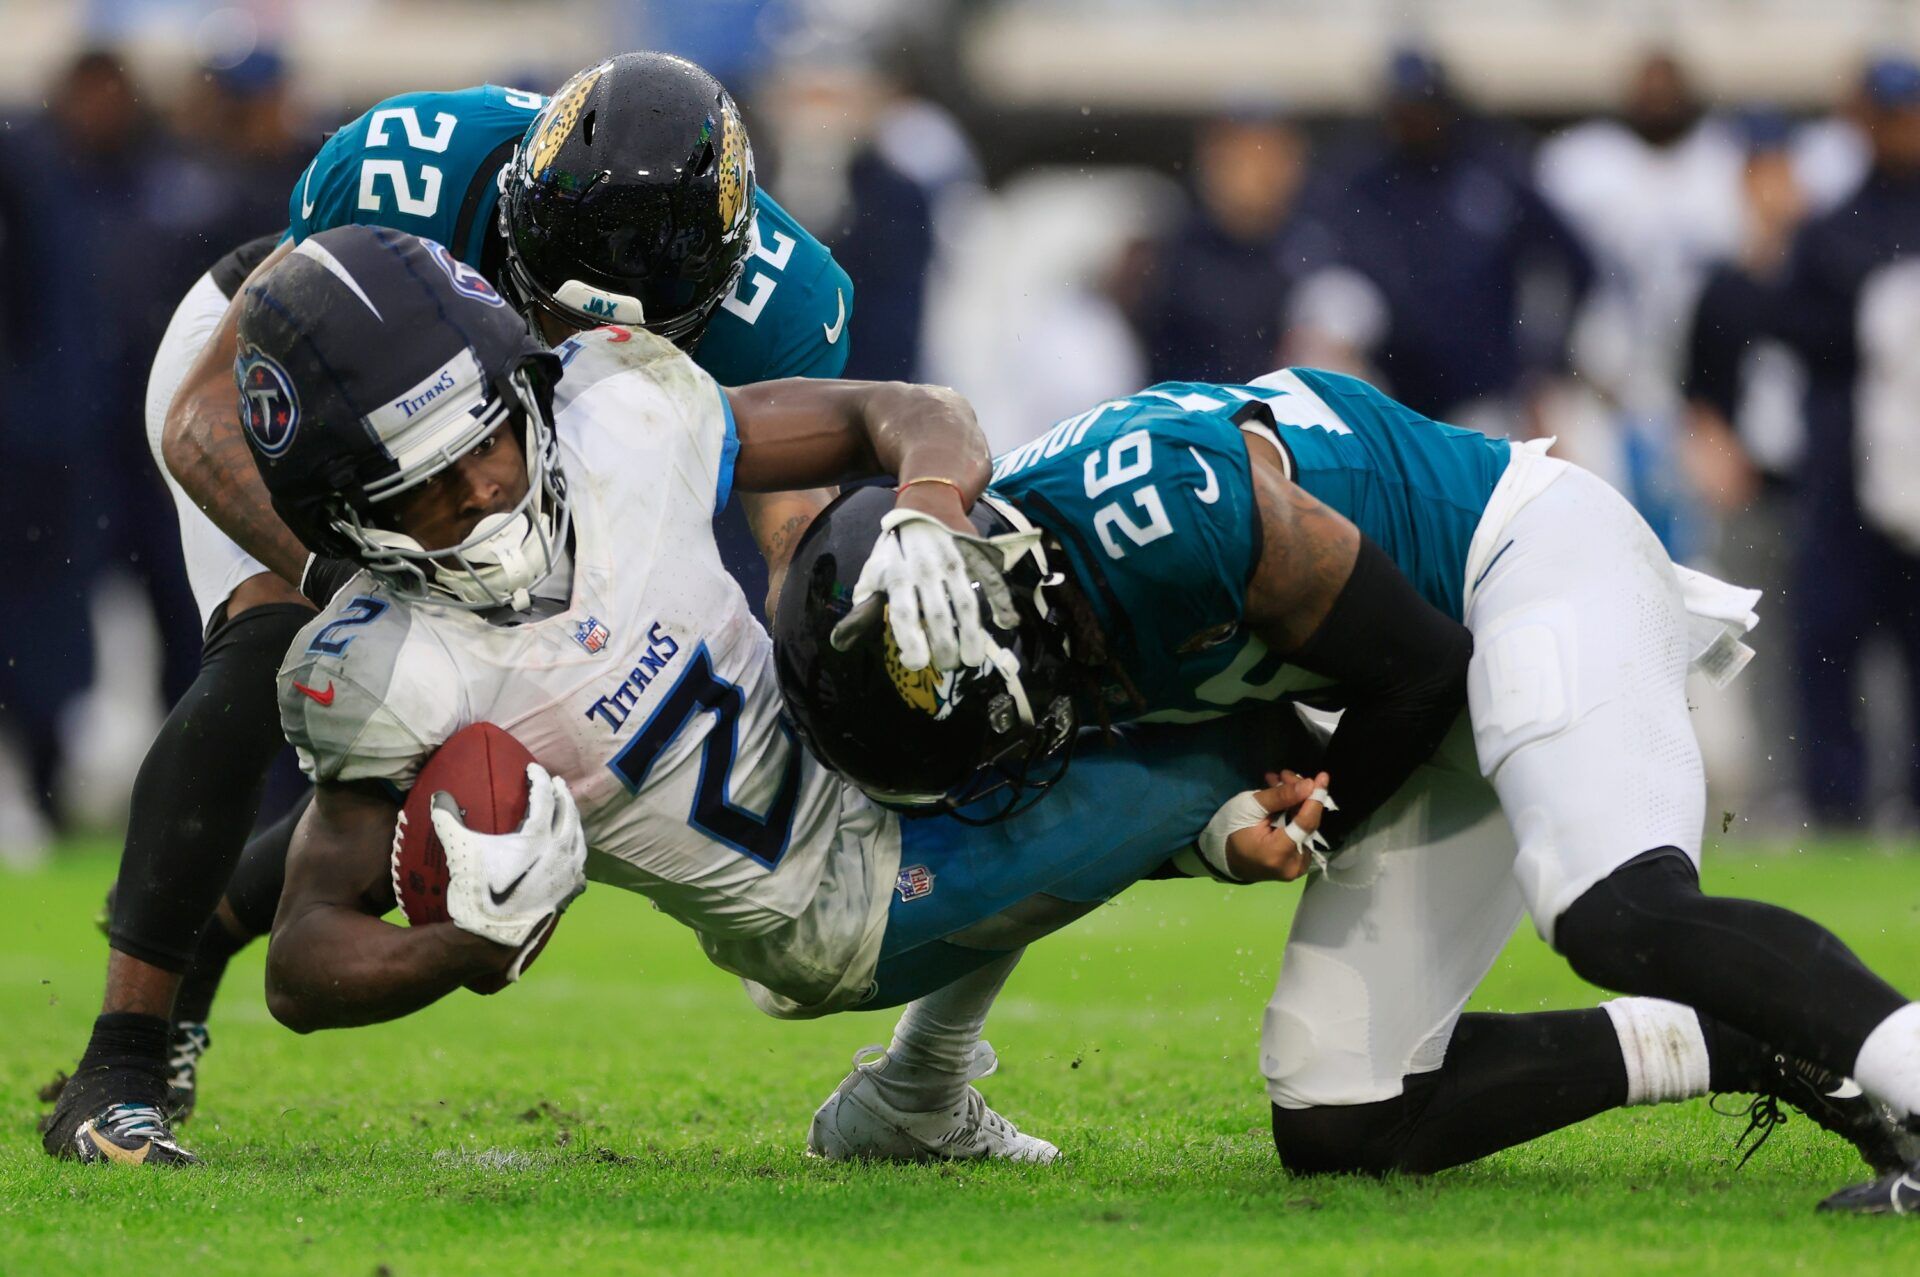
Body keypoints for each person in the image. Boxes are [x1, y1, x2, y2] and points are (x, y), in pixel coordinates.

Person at [192, 224, 1329, 1174]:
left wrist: (928, 509)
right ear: (350, 516)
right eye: (427, 487)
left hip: (871, 743)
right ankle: (1259, 922)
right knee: (1236, 740)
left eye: (488, 432)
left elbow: (908, 408)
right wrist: (462, 948)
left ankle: (921, 1094)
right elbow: (301, 961)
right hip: (839, 905)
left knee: (1055, 613)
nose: (486, 485)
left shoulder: (617, 419)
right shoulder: (398, 668)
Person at [778, 366, 1920, 1212]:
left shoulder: (1165, 517)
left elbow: (1419, 664)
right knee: (1344, 1114)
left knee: (1612, 909)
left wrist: (1317, 815)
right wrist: (1250, 817)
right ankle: (1755, 1036)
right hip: (1427, 679)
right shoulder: (1038, 582)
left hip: (1522, 567)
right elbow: (1255, 703)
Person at [41, 52, 851, 1164]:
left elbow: (793, 524)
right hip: (300, 405)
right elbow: (200, 422)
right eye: (543, 295)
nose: (560, 334)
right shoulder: (414, 166)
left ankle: (224, 918)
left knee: (496, 706)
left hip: (491, 457)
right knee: (282, 652)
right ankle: (118, 1061)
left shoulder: (782, 300)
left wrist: (835, 631)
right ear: (514, 206)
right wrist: (353, 589)